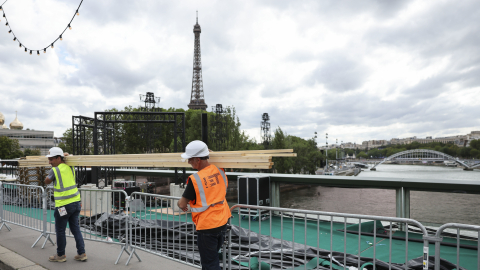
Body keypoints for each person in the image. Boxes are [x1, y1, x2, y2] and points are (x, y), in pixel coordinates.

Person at [177, 140, 231, 270]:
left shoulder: (195, 179)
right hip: (223, 221)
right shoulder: (220, 170)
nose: (188, 162)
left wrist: (182, 204)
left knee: (210, 264)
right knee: (213, 259)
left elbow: (182, 203)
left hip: (207, 227)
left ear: (197, 160)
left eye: (190, 159)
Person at [44, 147, 87, 262]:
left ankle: (61, 255)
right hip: (76, 203)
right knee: (76, 229)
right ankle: (82, 253)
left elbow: (46, 181)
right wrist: (67, 155)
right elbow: (70, 157)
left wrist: (47, 177)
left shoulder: (55, 170)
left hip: (63, 206)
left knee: (60, 230)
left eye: (51, 159)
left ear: (58, 158)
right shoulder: (70, 166)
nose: (49, 162)